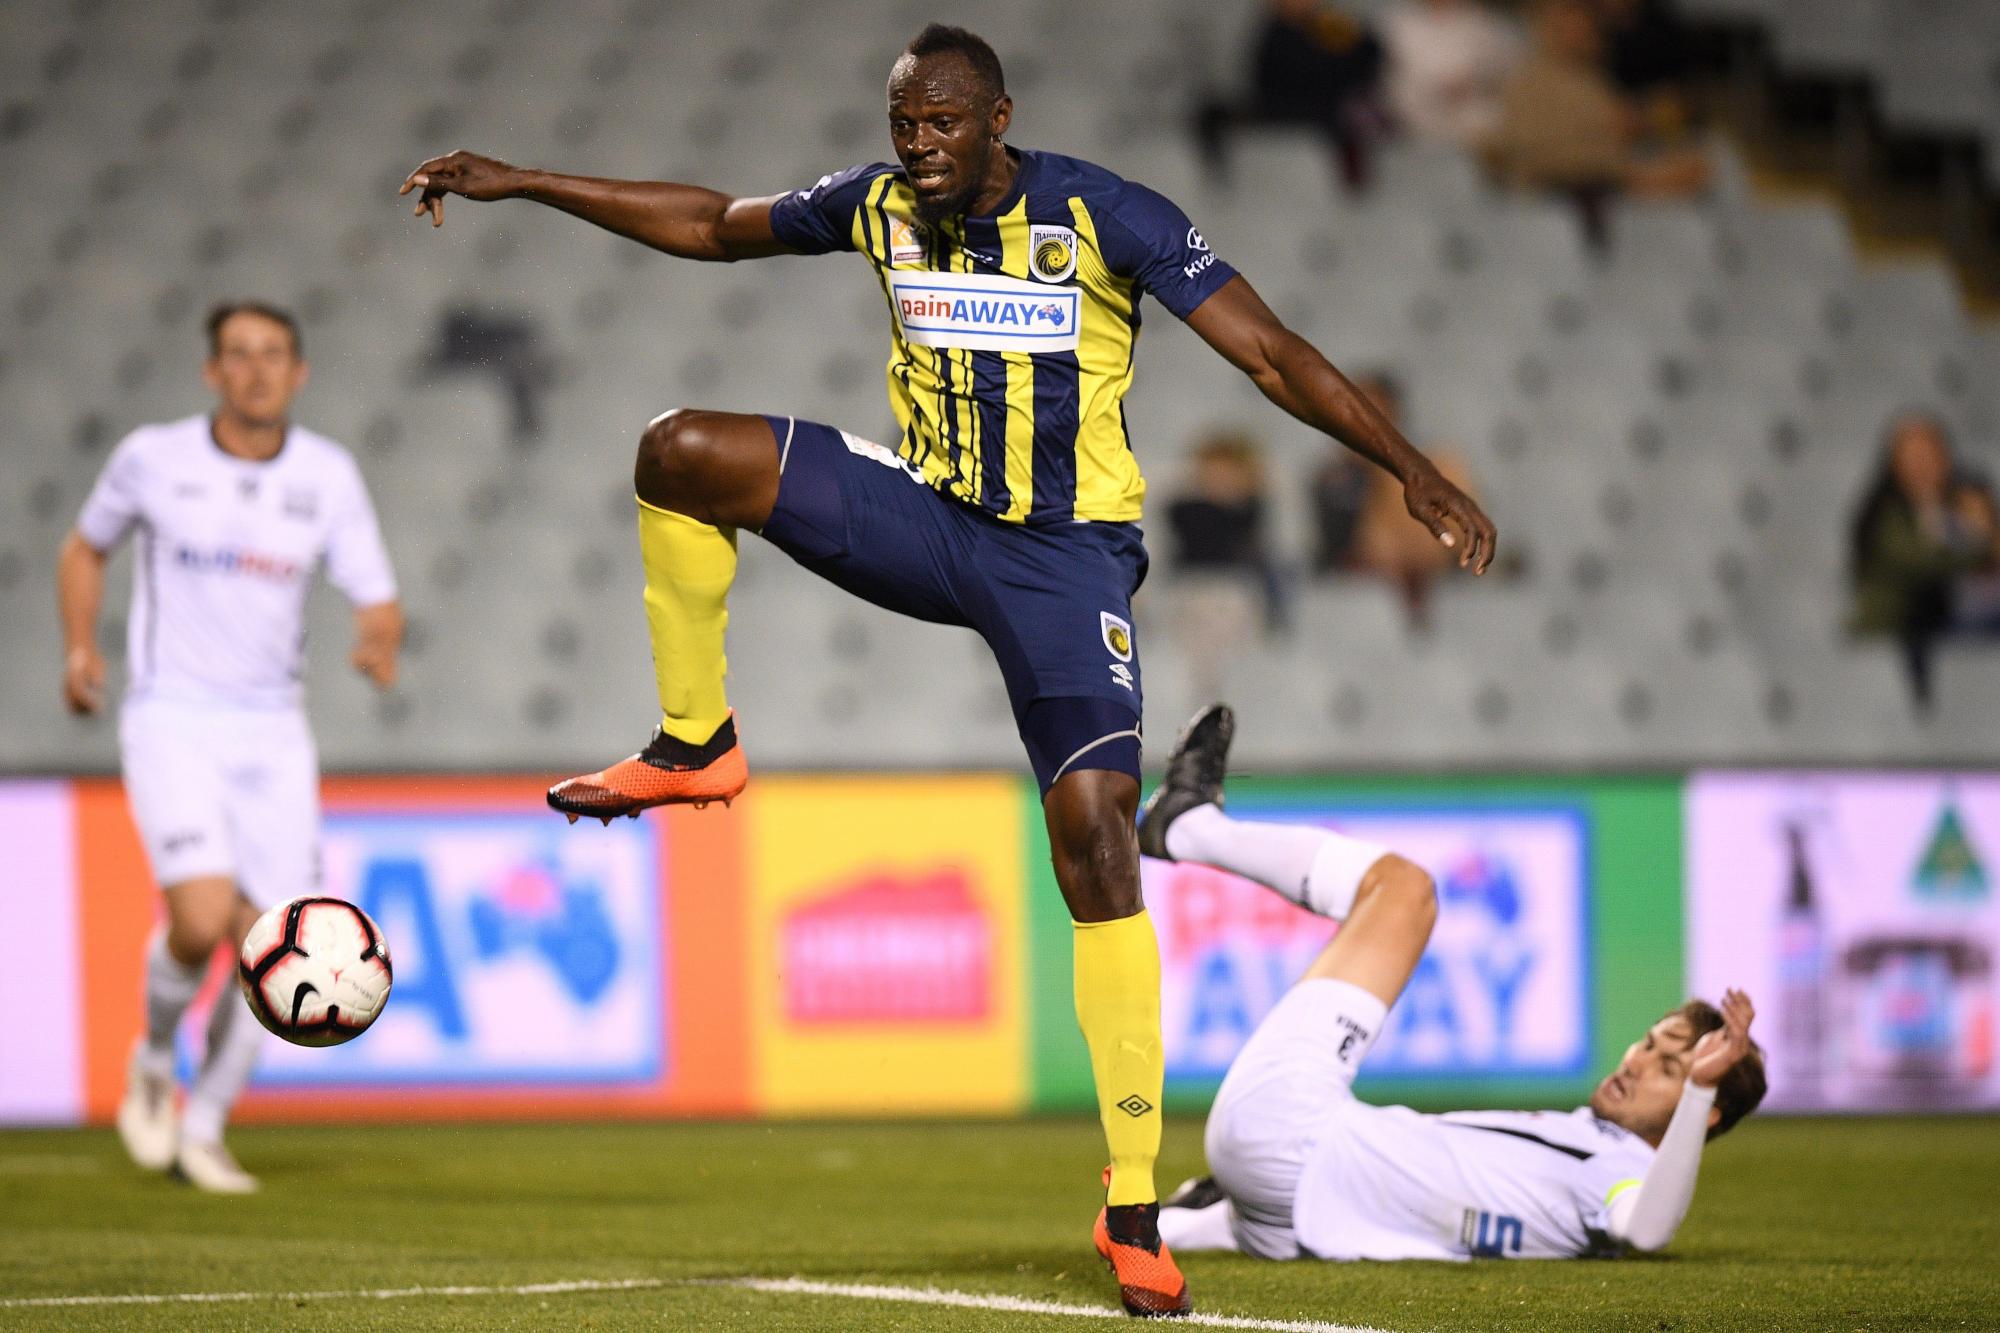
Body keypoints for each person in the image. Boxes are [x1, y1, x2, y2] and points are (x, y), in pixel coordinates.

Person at [400, 23, 1494, 1316]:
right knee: (679, 450)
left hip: (1063, 564)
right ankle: (697, 742)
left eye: (940, 125)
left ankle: (1134, 1202)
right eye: (902, 124)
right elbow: (709, 223)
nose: (915, 148)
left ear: (996, 119)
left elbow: (1268, 353)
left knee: (1095, 840)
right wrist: (525, 181)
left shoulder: (1106, 215)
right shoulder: (875, 208)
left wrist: (1409, 465)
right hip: (927, 516)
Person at [1138, 705, 1766, 1262]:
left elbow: (1648, 1231)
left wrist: (1697, 1092)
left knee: (1404, 892)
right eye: (1651, 1042)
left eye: (1673, 1067)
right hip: (1301, 1215)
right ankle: (1176, 1221)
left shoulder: (1623, 1175)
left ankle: (1185, 825)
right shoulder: (1593, 1143)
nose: (1640, 1060)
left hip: (1288, 1136)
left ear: (1704, 1114)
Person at [57, 302, 404, 1193]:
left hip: (272, 731)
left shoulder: (326, 475)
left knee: (278, 938)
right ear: (212, 372)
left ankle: (203, 1122)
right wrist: (81, 645)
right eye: (238, 355)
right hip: (172, 715)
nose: (256, 371)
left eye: (273, 355)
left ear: (300, 373)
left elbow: (375, 590)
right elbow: (84, 547)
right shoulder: (152, 457)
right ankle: (154, 1055)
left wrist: (378, 637)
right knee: (205, 916)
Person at [1481, 0, 1708, 252]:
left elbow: (1622, 134)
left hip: (1611, 192)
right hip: (1562, 205)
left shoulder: (1593, 82)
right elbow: (1532, 154)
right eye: (1570, 22)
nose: (1582, 29)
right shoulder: (1528, 82)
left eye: (1586, 22)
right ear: (1550, 27)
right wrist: (1635, 177)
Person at [1848, 411, 1985, 705]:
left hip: (1946, 617)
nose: (1924, 465)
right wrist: (1979, 546)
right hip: (1901, 624)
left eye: (1931, 454)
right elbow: (1924, 562)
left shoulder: (1955, 501)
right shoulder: (1887, 513)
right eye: (1913, 456)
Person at [1193, 0, 1385, 195]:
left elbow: (1367, 56)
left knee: (1349, 121)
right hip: (1272, 105)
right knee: (1210, 111)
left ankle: (1354, 187)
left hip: (1317, 108)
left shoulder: (1329, 25)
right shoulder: (1274, 28)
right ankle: (1217, 182)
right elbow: (1260, 76)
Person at [1343, 372, 1480, 630]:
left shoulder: (1441, 464)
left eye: (1372, 409)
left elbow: (1461, 535)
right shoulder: (1339, 479)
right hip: (1372, 597)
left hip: (1439, 584)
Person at [1163, 432, 1284, 701]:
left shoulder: (1252, 510)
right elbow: (1193, 530)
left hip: (1237, 594)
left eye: (1229, 472)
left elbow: (1247, 543)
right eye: (1213, 471)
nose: (1220, 479)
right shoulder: (1183, 509)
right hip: (1190, 592)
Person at [1377, 0, 1520, 150]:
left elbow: (1503, 67)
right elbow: (1392, 84)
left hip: (1477, 126)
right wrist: (1435, 91)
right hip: (1418, 130)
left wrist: (1475, 82)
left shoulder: (1481, 22)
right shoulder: (1397, 25)